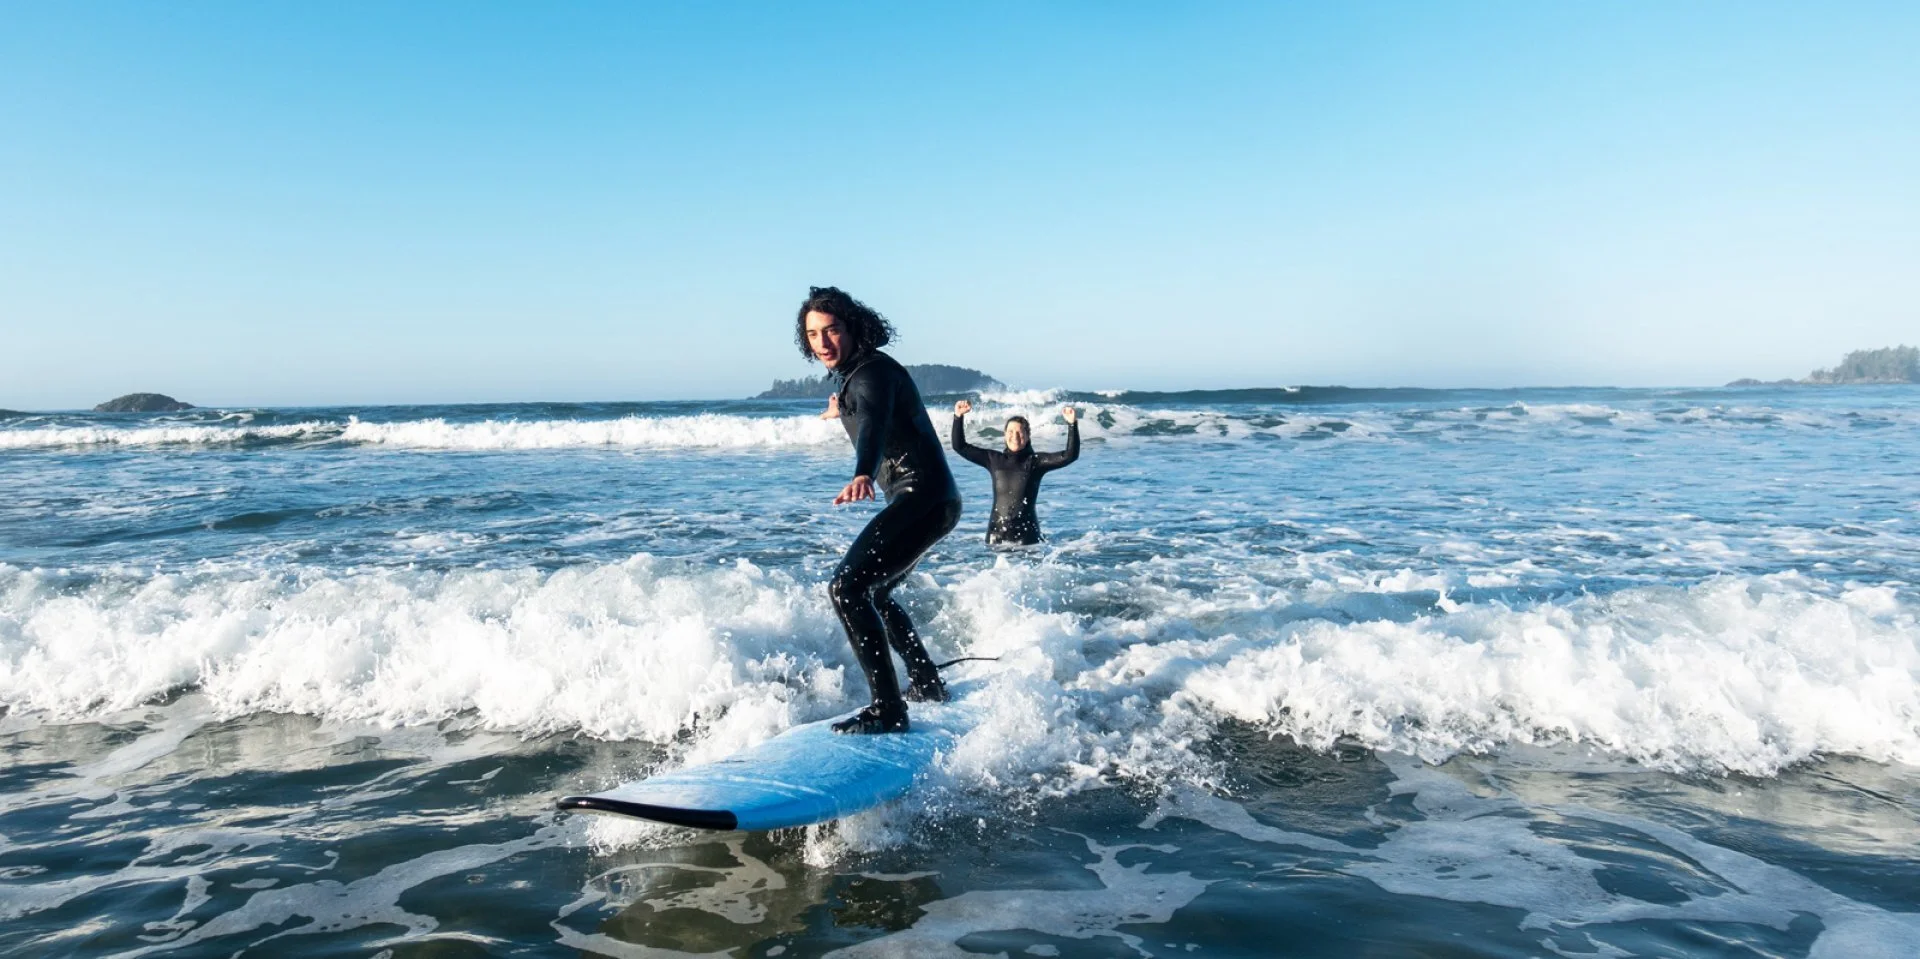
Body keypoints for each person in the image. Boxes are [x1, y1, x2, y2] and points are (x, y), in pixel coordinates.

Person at [797, 286, 962, 734]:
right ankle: (926, 681)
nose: (823, 342)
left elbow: (872, 422)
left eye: (832, 330)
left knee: (847, 589)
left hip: (922, 497)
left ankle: (888, 709)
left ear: (853, 328)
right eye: (813, 334)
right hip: (934, 500)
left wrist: (863, 473)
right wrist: (839, 411)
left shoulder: (870, 374)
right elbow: (867, 411)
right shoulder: (861, 373)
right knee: (876, 593)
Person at [950, 400, 1080, 546]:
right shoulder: (994, 460)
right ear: (1005, 435)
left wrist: (1072, 424)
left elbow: (1070, 455)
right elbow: (959, 446)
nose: (1015, 436)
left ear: (1028, 435)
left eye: (1020, 432)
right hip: (995, 536)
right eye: (1010, 432)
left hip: (1027, 539)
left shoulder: (1036, 462)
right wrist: (958, 416)